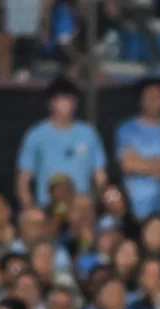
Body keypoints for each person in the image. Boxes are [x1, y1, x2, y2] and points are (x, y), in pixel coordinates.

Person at [16, 77, 107, 210]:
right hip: (47, 206)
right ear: (50, 103)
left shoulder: (89, 133)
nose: (66, 104)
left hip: (81, 207)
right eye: (61, 99)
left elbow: (100, 175)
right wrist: (30, 208)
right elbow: (23, 180)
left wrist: (95, 203)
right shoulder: (35, 135)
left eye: (70, 99)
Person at [115, 79, 160, 223]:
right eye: (148, 96)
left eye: (157, 97)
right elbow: (128, 165)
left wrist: (142, 162)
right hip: (136, 210)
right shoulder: (126, 129)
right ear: (140, 99)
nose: (152, 101)